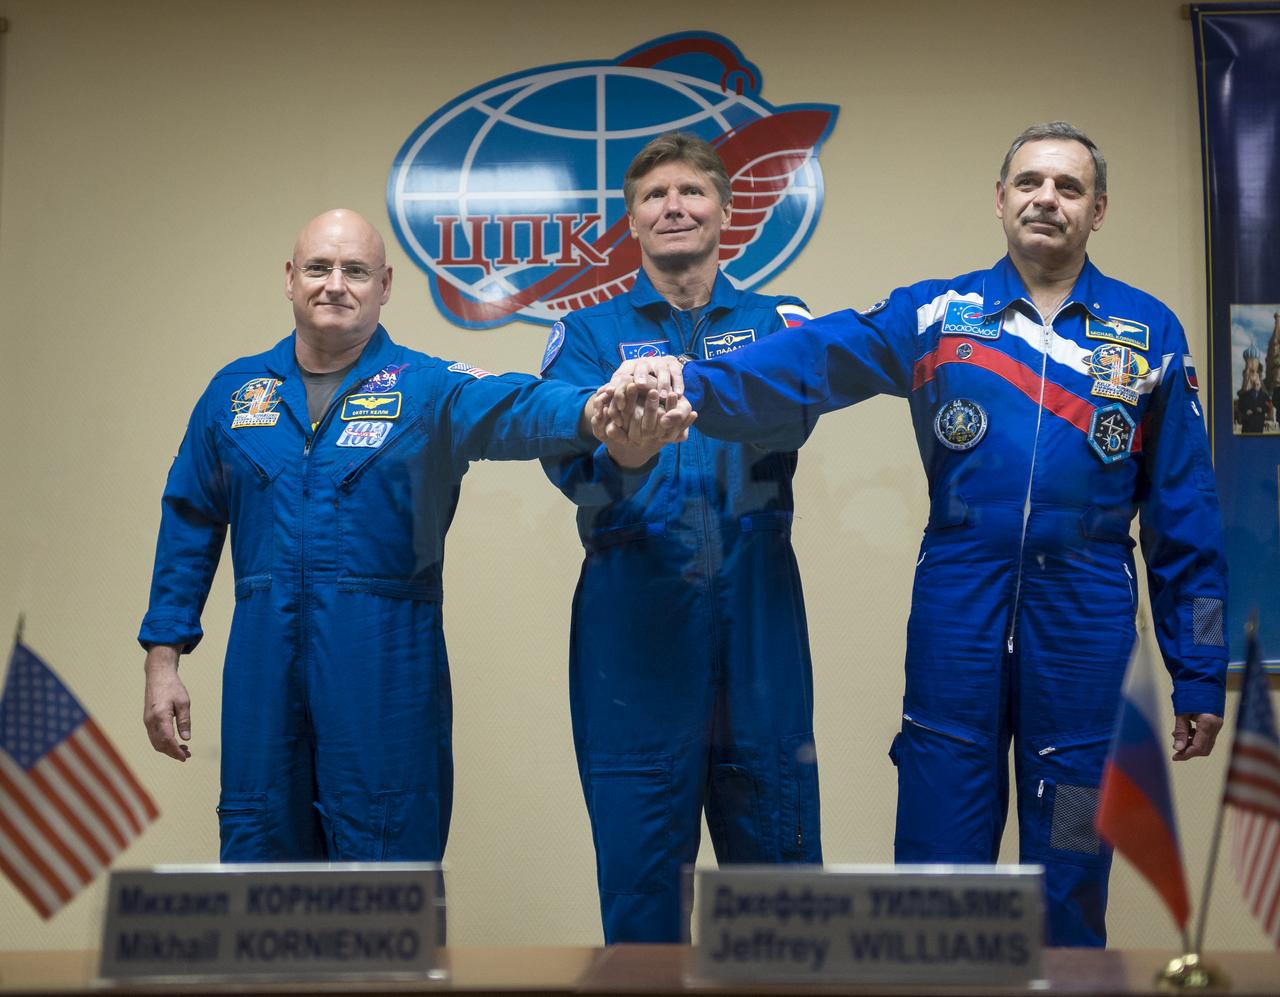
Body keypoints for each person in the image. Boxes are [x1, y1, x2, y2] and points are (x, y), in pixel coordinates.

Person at [601, 122, 1228, 947]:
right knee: (939, 854)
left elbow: (1186, 514)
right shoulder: (941, 313)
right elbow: (815, 357)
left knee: (1076, 842)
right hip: (957, 609)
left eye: (1069, 188)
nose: (1047, 199)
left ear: (1098, 210)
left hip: (1088, 622)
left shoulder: (1149, 332)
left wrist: (1201, 671)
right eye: (1030, 182)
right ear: (1000, 199)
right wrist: (694, 382)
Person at [138, 208, 655, 863]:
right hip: (261, 661)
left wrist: (596, 409)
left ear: (384, 286)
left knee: (387, 859)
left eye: (355, 270)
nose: (335, 284)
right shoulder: (234, 394)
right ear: (290, 278)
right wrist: (163, 662)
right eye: (319, 267)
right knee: (258, 852)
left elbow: (514, 406)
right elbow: (189, 522)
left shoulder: (425, 388)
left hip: (385, 663)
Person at [540, 132, 823, 943]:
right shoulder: (588, 335)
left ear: (727, 212)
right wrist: (623, 450)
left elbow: (804, 406)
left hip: (758, 605)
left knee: (779, 872)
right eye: (655, 196)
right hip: (635, 613)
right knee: (641, 880)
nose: (674, 206)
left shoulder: (778, 321)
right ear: (631, 221)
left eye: (692, 192)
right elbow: (567, 463)